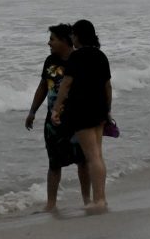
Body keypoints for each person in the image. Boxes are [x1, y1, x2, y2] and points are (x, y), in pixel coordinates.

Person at [25, 24, 90, 211]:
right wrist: (32, 111)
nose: (49, 43)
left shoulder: (79, 60)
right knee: (54, 163)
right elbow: (43, 86)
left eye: (52, 39)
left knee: (83, 161)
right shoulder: (50, 61)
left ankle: (87, 201)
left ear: (64, 40)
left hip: (77, 120)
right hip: (53, 122)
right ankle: (51, 204)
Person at [51, 19, 112, 213]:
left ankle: (99, 200)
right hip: (99, 109)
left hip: (82, 111)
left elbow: (66, 84)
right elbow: (107, 86)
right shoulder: (101, 56)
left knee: (92, 156)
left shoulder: (77, 57)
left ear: (79, 36)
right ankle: (101, 198)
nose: (72, 38)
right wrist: (107, 110)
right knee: (98, 155)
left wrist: (56, 108)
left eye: (73, 35)